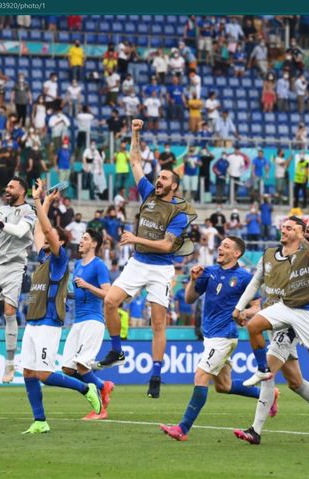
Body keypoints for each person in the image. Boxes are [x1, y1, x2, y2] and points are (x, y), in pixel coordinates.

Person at [95, 120, 196, 399]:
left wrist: (136, 239)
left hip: (161, 269)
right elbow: (135, 159)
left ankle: (155, 374)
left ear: (174, 186)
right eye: (159, 177)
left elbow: (166, 246)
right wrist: (136, 132)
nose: (159, 180)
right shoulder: (148, 193)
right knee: (110, 301)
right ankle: (116, 349)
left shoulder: (180, 213)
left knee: (158, 325)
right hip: (138, 264)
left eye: (164, 178)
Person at [232, 216, 309, 444]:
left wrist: (302, 236)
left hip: (305, 315)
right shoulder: (274, 254)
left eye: (290, 227)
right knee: (295, 382)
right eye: (283, 227)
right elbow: (259, 284)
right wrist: (242, 308)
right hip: (282, 310)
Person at [159, 237, 276, 441]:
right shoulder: (209, 272)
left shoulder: (243, 277)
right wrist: (194, 280)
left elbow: (258, 307)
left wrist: (243, 313)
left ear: (237, 253)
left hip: (225, 335)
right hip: (210, 335)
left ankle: (182, 429)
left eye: (226, 246)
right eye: (220, 245)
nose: (220, 248)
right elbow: (189, 299)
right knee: (224, 386)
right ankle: (267, 394)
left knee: (200, 376)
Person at [20, 180, 101, 434]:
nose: (43, 238)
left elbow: (45, 229)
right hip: (33, 321)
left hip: (49, 321)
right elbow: (38, 231)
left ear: (59, 242)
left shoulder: (59, 259)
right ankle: (40, 421)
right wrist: (43, 200)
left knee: (44, 374)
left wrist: (38, 203)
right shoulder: (43, 257)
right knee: (28, 373)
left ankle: (86, 388)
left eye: (50, 236)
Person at [0, 177, 36, 383]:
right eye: (7, 186)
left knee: (10, 312)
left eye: (11, 186)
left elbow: (20, 231)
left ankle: (10, 364)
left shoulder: (30, 211)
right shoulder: (1, 211)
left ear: (22, 190)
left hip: (14, 266)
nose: (7, 189)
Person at [60, 228, 114, 420]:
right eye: (81, 238)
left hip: (93, 320)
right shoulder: (78, 264)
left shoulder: (99, 265)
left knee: (82, 366)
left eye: (85, 239)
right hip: (78, 322)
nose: (80, 241)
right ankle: (102, 385)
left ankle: (100, 409)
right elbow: (80, 292)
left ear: (94, 244)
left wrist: (87, 285)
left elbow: (108, 294)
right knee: (67, 368)